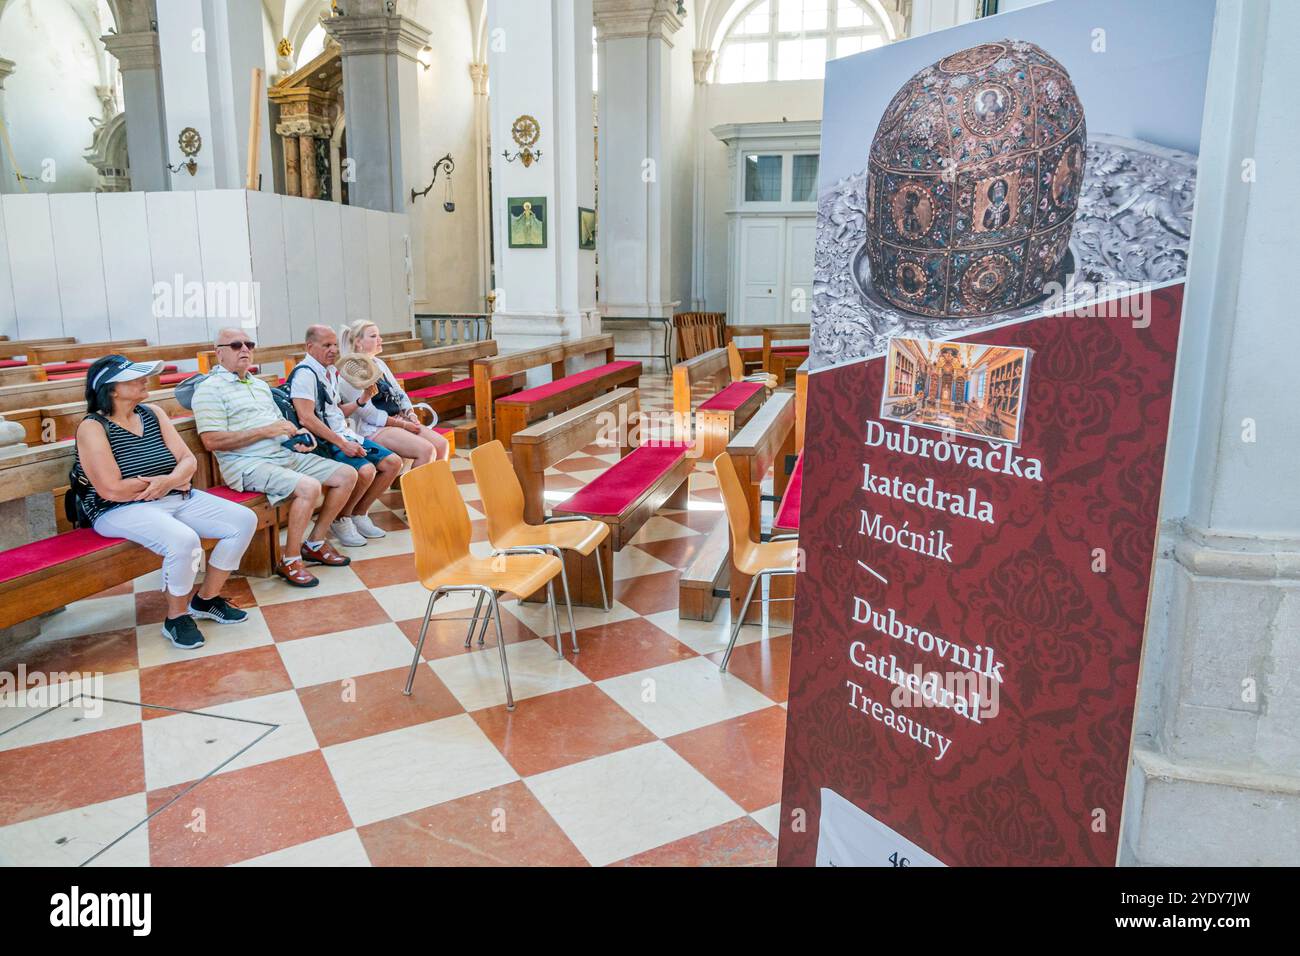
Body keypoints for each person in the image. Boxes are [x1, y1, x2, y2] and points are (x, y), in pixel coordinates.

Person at [73, 355, 257, 649]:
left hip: (173, 496)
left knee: (243, 520)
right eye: (134, 377)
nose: (144, 380)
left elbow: (187, 461)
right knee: (184, 540)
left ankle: (206, 600)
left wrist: (169, 482)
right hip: (118, 510)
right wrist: (170, 480)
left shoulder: (152, 413)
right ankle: (176, 616)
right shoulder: (93, 427)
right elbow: (111, 489)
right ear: (111, 388)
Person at [193, 329, 357, 588]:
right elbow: (211, 441)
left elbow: (277, 424)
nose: (245, 349)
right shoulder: (209, 389)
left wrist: (297, 436)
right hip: (246, 464)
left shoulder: (258, 385)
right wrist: (266, 431)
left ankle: (314, 542)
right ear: (219, 353)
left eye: (249, 344)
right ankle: (290, 560)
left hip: (281, 454)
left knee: (347, 474)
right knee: (309, 487)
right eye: (236, 345)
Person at [291, 325, 402, 546]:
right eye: (326, 345)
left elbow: (334, 412)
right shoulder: (305, 374)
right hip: (323, 441)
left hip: (343, 433)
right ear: (309, 346)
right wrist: (342, 443)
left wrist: (362, 399)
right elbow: (306, 418)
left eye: (334, 344)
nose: (333, 349)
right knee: (366, 469)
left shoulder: (329, 371)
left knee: (392, 463)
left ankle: (358, 514)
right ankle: (341, 519)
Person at [336, 320, 450, 466]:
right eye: (373, 336)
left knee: (442, 444)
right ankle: (415, 489)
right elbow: (368, 414)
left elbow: (398, 391)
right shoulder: (350, 372)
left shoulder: (378, 363)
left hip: (397, 419)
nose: (380, 339)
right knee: (426, 450)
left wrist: (410, 413)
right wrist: (401, 424)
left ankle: (435, 487)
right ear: (358, 342)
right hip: (373, 428)